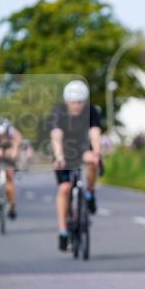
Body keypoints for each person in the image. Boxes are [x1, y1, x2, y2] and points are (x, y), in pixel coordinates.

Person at [50, 80, 103, 251]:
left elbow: (95, 134)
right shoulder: (59, 112)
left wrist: (96, 153)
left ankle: (90, 192)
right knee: (65, 189)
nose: (76, 106)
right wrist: (59, 156)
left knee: (93, 161)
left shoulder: (91, 111)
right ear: (67, 102)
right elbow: (56, 137)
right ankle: (63, 231)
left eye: (80, 102)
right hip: (64, 150)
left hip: (81, 147)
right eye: (73, 102)